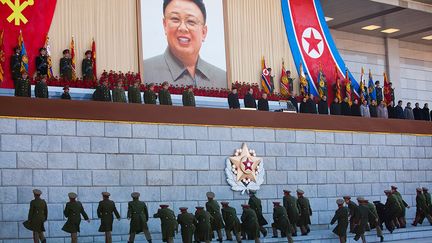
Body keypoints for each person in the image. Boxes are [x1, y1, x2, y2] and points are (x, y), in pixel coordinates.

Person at [143, 0, 227, 88]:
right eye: (175, 19)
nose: (182, 28)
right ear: (165, 25)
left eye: (191, 21)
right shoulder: (145, 72)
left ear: (204, 32)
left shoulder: (223, 80)